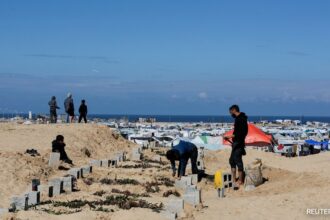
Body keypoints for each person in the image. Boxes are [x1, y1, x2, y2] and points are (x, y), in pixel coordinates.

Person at [224, 105, 248, 188]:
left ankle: (240, 180)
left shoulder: (241, 119)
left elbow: (241, 133)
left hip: (239, 143)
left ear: (234, 110)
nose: (231, 114)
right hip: (236, 142)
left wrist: (230, 136)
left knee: (238, 160)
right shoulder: (239, 119)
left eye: (231, 112)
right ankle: (233, 179)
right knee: (232, 161)